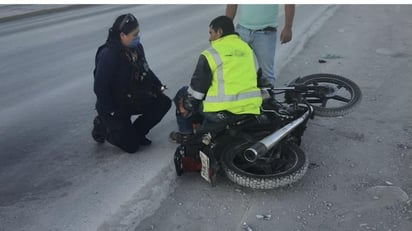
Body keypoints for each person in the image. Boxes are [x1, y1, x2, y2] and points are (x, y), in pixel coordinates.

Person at [169, 16, 262, 143]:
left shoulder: (210, 54)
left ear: (219, 32)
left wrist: (187, 106)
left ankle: (187, 135)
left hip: (222, 110)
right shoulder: (247, 49)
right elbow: (258, 75)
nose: (209, 38)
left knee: (183, 94)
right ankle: (202, 125)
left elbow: (197, 90)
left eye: (211, 33)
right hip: (251, 107)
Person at [92, 13, 171, 153]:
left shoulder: (136, 48)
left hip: (132, 98)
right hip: (115, 106)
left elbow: (145, 69)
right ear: (122, 35)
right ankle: (102, 126)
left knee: (163, 102)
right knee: (132, 147)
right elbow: (100, 87)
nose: (138, 37)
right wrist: (110, 110)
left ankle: (137, 133)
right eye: (134, 35)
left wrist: (158, 86)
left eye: (138, 33)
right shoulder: (109, 54)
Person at [226, 4, 295, 88]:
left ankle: (268, 99)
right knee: (236, 70)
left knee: (266, 76)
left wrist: (288, 27)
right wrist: (226, 27)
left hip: (265, 33)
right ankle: (242, 99)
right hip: (242, 31)